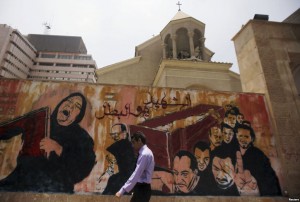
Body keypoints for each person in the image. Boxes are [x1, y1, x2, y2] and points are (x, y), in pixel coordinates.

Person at [1, 92, 96, 192]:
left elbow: (83, 167)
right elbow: (9, 128)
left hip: (55, 187)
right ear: (61, 104)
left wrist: (59, 149)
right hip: (21, 179)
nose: (70, 105)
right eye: (68, 101)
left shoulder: (82, 138)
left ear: (78, 116)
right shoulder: (40, 120)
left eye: (77, 106)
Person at [236, 122, 282, 196]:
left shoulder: (257, 154)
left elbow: (267, 178)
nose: (243, 139)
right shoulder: (233, 152)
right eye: (240, 136)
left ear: (251, 139)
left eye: (246, 136)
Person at [115, 131, 154, 202]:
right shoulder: (147, 152)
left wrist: (122, 190)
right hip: (142, 189)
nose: (132, 145)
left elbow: (137, 173)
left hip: (142, 189)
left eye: (133, 142)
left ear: (139, 140)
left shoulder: (144, 154)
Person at [102, 123, 136, 194]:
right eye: (112, 135)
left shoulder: (126, 145)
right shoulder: (119, 145)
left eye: (116, 134)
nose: (114, 137)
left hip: (129, 178)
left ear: (124, 134)